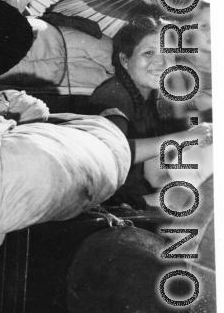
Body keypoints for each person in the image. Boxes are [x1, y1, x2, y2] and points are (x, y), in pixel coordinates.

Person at [88, 14, 213, 209]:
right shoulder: (113, 95)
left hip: (136, 197)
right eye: (148, 53)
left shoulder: (150, 99)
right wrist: (182, 139)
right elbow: (111, 152)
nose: (161, 62)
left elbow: (154, 177)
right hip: (107, 203)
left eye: (168, 53)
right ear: (124, 59)